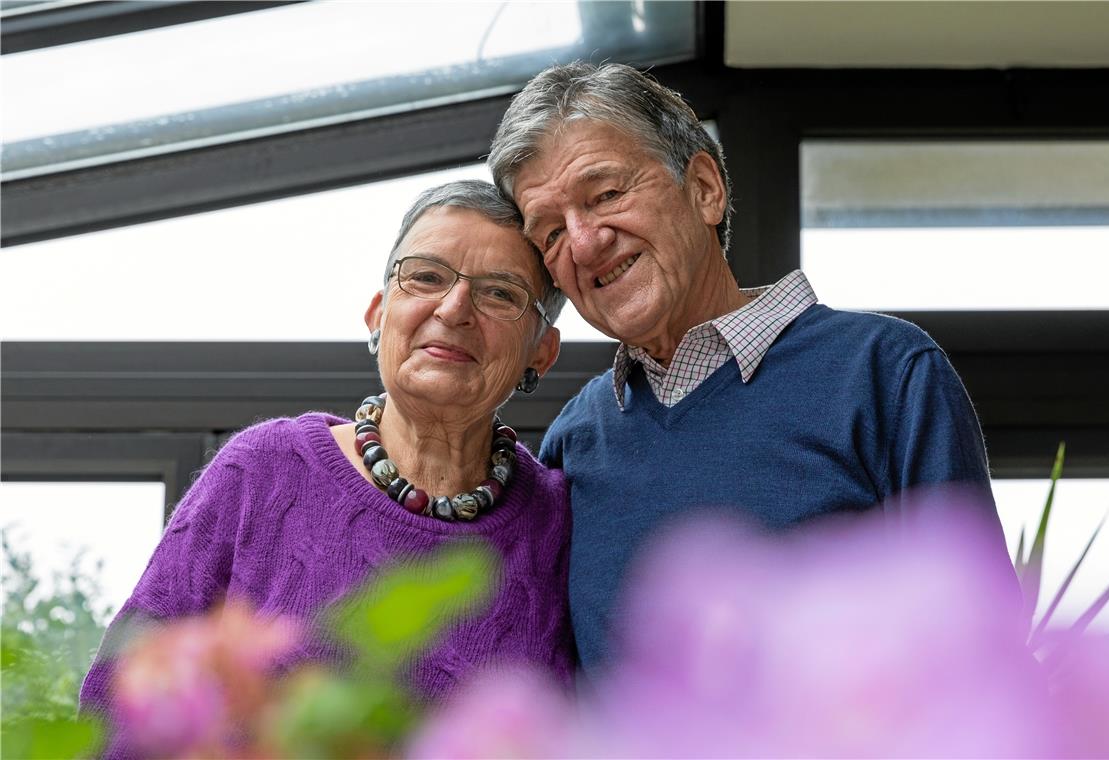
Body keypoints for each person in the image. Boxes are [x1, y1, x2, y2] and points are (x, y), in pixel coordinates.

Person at [488, 62, 1015, 675]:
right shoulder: (574, 441)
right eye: (550, 233)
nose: (581, 243)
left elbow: (982, 653)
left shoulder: (883, 373)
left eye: (605, 194)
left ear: (706, 188)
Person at [80, 180, 572, 753]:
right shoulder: (262, 472)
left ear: (542, 351)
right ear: (378, 313)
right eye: (427, 276)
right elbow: (119, 702)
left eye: (500, 294)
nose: (454, 308)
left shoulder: (564, 522)